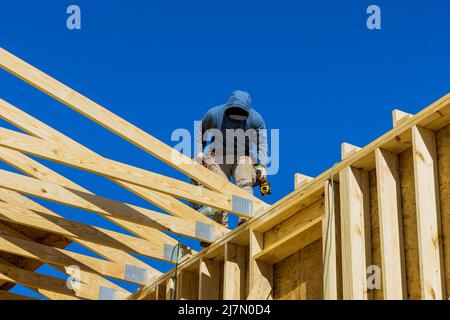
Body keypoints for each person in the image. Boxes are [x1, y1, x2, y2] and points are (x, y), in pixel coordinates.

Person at [195, 90, 268, 228]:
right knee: (218, 185)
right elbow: (201, 129)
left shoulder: (256, 119)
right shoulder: (214, 114)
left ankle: (245, 218)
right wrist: (199, 152)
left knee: (244, 181)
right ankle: (218, 227)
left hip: (242, 155)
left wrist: (262, 165)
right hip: (219, 153)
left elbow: (262, 141)